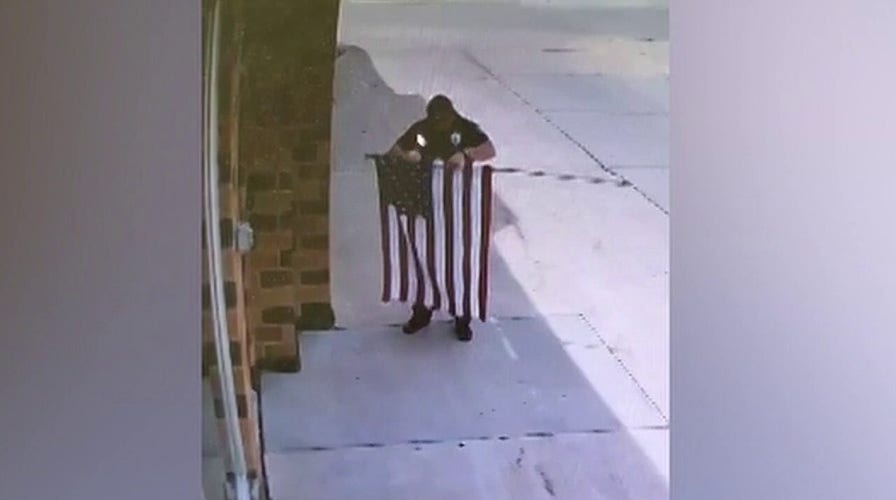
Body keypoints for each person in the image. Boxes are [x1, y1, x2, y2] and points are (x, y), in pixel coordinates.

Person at [386, 95, 496, 341]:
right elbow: (395, 150)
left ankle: (461, 317)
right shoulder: (422, 129)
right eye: (435, 120)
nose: (439, 124)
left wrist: (466, 156)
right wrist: (408, 156)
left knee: (458, 259)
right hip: (425, 204)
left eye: (443, 119)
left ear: (451, 115)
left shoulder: (466, 128)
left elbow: (489, 150)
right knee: (423, 255)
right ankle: (423, 310)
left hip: (457, 206)